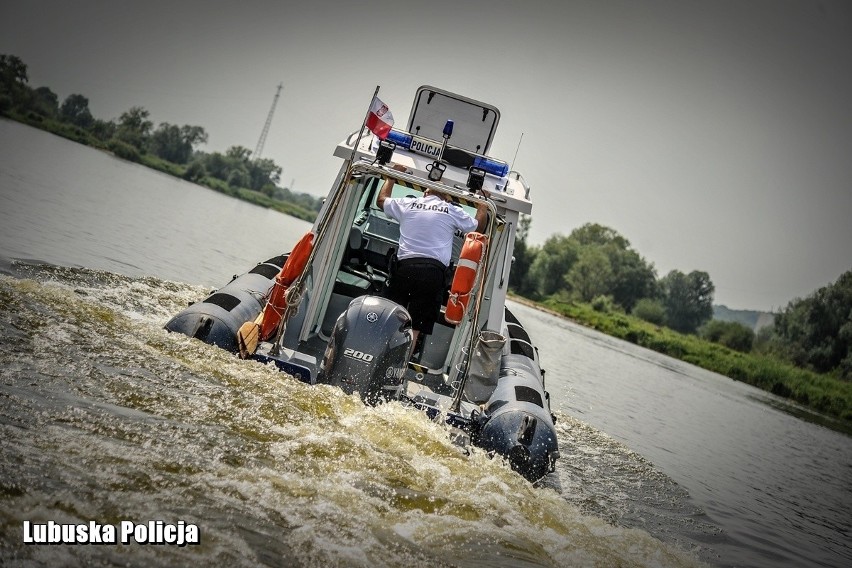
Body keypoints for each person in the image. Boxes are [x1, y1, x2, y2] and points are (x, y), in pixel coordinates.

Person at [377, 165, 488, 348]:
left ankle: (377, 356)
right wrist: (482, 204)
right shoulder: (450, 210)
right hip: (433, 275)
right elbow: (478, 228)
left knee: (390, 319)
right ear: (446, 197)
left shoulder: (408, 204)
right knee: (416, 326)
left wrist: (391, 178)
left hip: (404, 269)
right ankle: (401, 368)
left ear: (425, 193)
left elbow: (381, 201)